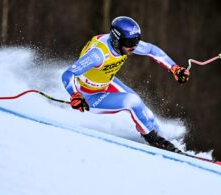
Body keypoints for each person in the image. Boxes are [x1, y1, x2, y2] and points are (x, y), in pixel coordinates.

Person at [62, 16, 190, 153]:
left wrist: (174, 68)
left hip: (106, 83)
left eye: (136, 41)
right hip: (89, 96)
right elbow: (68, 74)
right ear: (117, 40)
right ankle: (154, 140)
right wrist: (75, 95)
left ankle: (164, 140)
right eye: (130, 42)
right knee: (132, 102)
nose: (134, 47)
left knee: (144, 110)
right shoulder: (98, 55)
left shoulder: (125, 45)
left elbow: (152, 50)